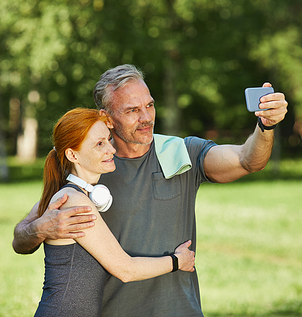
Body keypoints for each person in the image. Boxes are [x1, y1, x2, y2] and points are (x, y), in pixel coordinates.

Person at [13, 64, 288, 316]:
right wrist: (40, 229)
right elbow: (20, 239)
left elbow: (247, 160)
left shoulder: (181, 152)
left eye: (149, 106)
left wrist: (266, 125)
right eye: (132, 110)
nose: (146, 117)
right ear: (106, 118)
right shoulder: (91, 166)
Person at [32, 108, 195, 317]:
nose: (111, 149)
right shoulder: (73, 201)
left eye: (108, 140)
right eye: (99, 144)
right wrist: (177, 261)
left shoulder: (80, 194)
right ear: (72, 155)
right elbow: (126, 270)